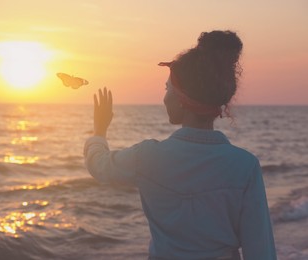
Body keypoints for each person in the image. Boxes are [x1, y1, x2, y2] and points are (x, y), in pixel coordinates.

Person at [84, 30, 276, 260]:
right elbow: (260, 249)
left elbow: (100, 166)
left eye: (168, 89)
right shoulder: (245, 166)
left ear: (182, 100)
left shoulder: (149, 157)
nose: (164, 97)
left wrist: (100, 130)